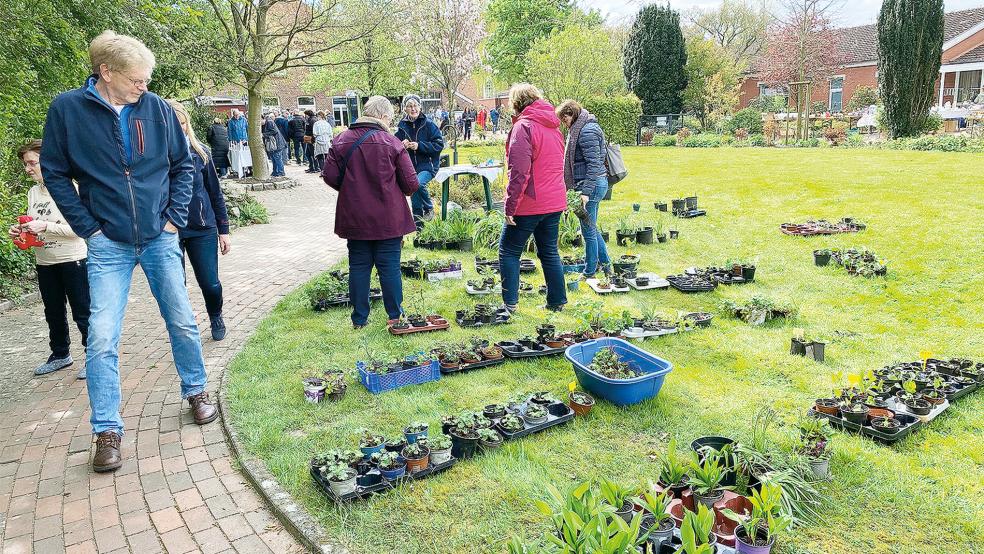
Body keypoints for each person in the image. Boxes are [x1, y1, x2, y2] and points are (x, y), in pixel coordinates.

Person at [41, 30, 217, 473]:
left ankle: (195, 389)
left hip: (160, 236)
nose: (144, 86)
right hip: (108, 244)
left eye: (147, 79)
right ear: (107, 72)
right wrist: (88, 229)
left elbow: (183, 165)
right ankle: (106, 430)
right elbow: (56, 173)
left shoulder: (155, 108)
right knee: (101, 337)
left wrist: (174, 218)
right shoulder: (67, 110)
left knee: (181, 318)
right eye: (137, 79)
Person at [320, 96, 418, 329]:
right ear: (383, 116)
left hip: (355, 217)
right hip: (388, 218)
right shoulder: (391, 143)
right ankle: (394, 316)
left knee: (359, 267)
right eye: (390, 119)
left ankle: (359, 319)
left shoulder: (341, 140)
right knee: (389, 267)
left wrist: (352, 189)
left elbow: (330, 176)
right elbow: (411, 184)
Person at [7, 140, 90, 379]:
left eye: (32, 163)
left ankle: (93, 356)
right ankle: (60, 354)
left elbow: (80, 229)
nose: (28, 168)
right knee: (53, 311)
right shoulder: (34, 192)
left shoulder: (70, 187)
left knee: (82, 311)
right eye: (26, 164)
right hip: (45, 261)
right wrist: (21, 230)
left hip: (72, 259)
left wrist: (45, 225)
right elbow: (35, 224)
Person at [499, 84, 567, 313]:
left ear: (517, 104)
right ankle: (556, 302)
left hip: (530, 203)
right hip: (554, 200)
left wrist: (510, 205)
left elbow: (519, 172)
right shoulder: (554, 128)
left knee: (508, 251)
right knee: (549, 251)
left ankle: (510, 304)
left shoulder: (523, 127)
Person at [167, 100, 232, 341]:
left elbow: (214, 192)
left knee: (210, 282)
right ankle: (185, 323)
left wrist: (223, 230)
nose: (180, 128)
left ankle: (216, 315)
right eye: (174, 124)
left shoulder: (200, 153)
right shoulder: (153, 158)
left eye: (183, 123)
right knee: (175, 286)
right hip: (168, 230)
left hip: (202, 226)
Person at [557, 99, 612, 278]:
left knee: (588, 231)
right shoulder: (583, 127)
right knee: (592, 227)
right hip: (593, 184)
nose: (564, 124)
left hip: (591, 186)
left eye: (564, 119)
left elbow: (594, 164)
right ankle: (606, 264)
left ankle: (590, 271)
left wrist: (586, 193)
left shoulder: (586, 131)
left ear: (571, 114)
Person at [395, 94, 444, 227]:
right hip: (409, 168)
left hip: (428, 166)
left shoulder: (429, 125)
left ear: (420, 107)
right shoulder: (401, 126)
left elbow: (439, 145)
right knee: (414, 195)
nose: (413, 109)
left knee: (418, 184)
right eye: (410, 106)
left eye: (415, 106)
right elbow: (393, 146)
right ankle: (419, 230)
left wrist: (419, 145)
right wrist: (401, 144)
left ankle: (429, 208)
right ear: (405, 109)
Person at [227, 109, 248, 178]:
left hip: (244, 140)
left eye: (237, 115)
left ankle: (246, 169)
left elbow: (247, 129)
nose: (236, 117)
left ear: (239, 114)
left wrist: (247, 139)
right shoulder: (230, 121)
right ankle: (238, 170)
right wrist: (231, 140)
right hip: (235, 141)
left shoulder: (244, 120)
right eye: (235, 115)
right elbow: (229, 131)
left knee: (245, 155)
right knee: (236, 156)